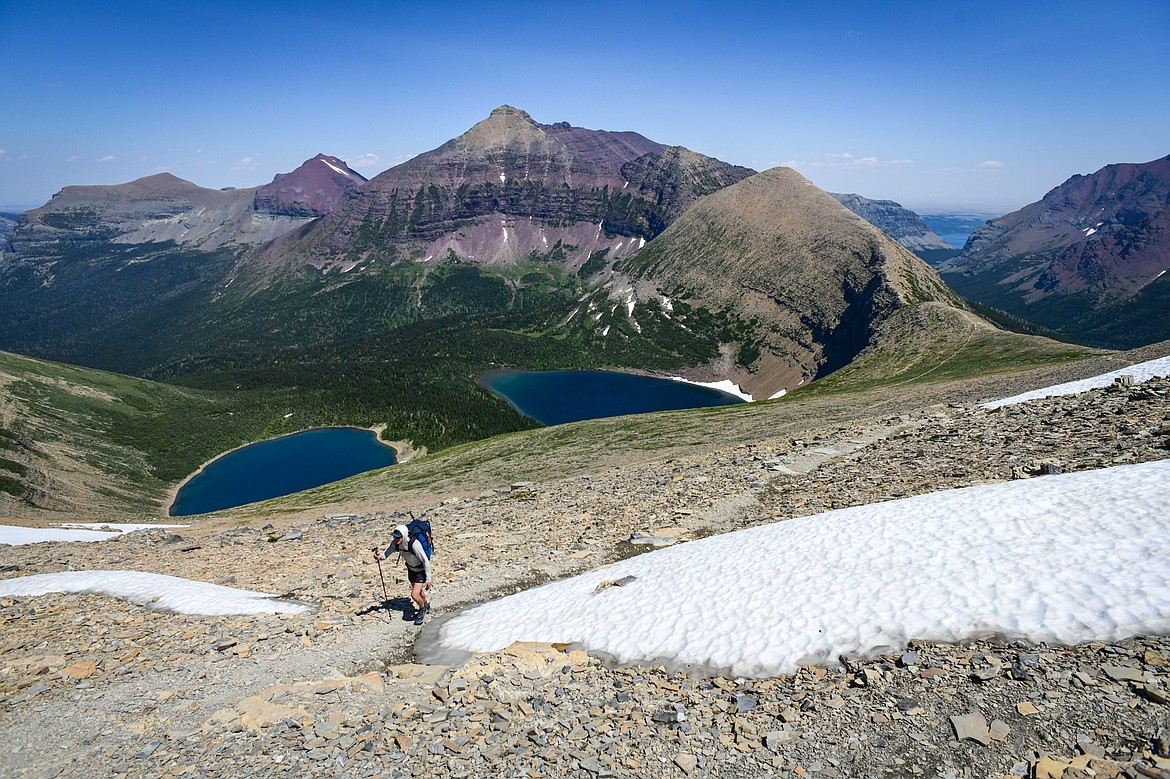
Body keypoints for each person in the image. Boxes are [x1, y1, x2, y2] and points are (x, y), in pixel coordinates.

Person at [374, 524, 432, 624]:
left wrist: (428, 579)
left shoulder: (414, 544)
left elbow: (425, 561)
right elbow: (385, 555)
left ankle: (422, 609)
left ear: (404, 536)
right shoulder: (396, 544)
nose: (396, 539)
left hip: (420, 570)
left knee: (414, 595)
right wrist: (379, 556)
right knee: (419, 591)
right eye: (394, 537)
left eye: (398, 537)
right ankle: (426, 605)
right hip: (410, 569)